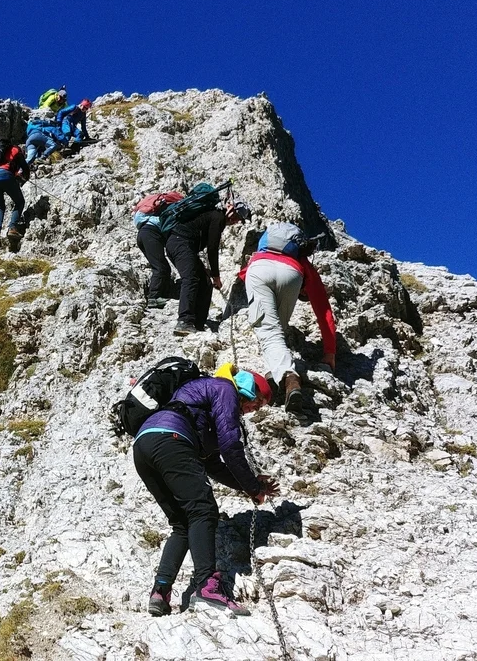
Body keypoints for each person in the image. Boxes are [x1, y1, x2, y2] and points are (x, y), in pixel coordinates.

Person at [133, 369, 278, 616]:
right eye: (258, 402)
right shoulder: (224, 389)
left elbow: (213, 464)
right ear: (249, 390)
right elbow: (231, 445)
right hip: (172, 439)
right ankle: (207, 587)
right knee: (204, 510)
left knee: (182, 523)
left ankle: (161, 591)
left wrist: (251, 485)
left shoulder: (202, 406)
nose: (255, 409)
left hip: (144, 446)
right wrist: (253, 488)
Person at [238, 223, 337, 415]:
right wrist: (330, 351)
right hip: (292, 274)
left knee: (269, 331)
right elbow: (323, 308)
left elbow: (244, 273)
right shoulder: (301, 261)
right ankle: (275, 373)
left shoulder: (262, 253)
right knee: (278, 331)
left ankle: (288, 376)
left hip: (259, 269)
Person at [167, 199, 251, 335]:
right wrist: (216, 275)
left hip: (182, 245)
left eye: (239, 220)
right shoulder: (217, 217)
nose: (235, 221)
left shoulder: (216, 217)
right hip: (180, 242)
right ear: (230, 210)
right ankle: (184, 321)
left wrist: (211, 275)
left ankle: (198, 324)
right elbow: (212, 248)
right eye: (236, 217)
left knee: (205, 282)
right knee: (191, 278)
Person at [132, 191, 183, 309]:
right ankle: (153, 298)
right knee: (160, 267)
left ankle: (161, 295)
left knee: (163, 267)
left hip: (144, 234)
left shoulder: (158, 212)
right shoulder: (171, 212)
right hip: (150, 234)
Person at [0, 139, 31, 249]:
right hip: (5, 175)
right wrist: (26, 178)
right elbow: (24, 167)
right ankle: (12, 228)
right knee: (19, 202)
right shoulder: (14, 149)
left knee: (0, 206)